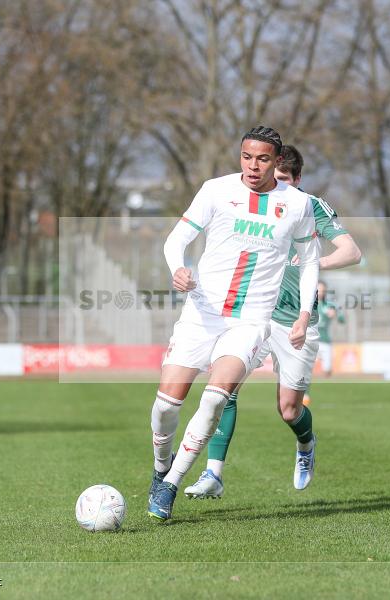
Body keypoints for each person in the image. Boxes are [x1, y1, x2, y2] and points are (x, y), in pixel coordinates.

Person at [148, 127, 320, 522]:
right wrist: (178, 269)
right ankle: (161, 466)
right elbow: (176, 239)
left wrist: (303, 315)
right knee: (165, 406)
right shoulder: (215, 190)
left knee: (214, 398)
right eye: (246, 157)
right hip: (202, 313)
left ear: (277, 161)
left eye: (262, 159)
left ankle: (170, 485)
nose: (253, 166)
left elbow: (309, 261)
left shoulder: (297, 204)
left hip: (250, 320)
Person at [184, 144, 361, 499]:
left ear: (297, 180)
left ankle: (306, 445)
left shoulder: (309, 206)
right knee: (224, 388)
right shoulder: (249, 200)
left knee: (289, 408)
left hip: (296, 321)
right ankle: (213, 475)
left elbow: (352, 252)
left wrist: (311, 264)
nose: (272, 184)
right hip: (253, 314)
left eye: (282, 179)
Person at [306, 280, 345, 403]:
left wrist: (336, 315)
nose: (320, 292)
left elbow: (342, 319)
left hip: (325, 341)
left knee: (327, 371)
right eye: (318, 289)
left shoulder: (330, 305)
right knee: (306, 369)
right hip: (311, 340)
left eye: (322, 290)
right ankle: (305, 395)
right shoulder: (308, 303)